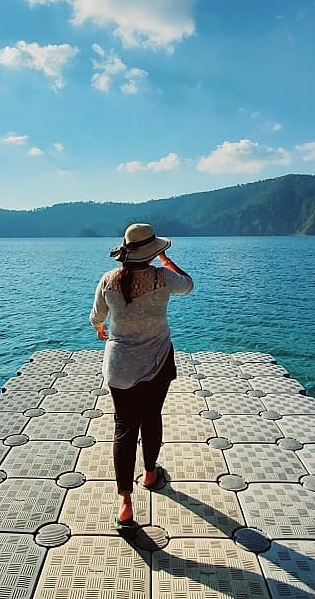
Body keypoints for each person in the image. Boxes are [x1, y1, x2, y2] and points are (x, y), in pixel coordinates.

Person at [89, 222, 193, 530]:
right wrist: (166, 261)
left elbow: (97, 316)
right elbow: (188, 284)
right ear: (152, 251)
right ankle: (150, 474)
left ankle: (124, 504)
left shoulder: (108, 280)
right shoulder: (163, 278)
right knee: (151, 417)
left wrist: (100, 328)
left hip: (119, 363)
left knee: (124, 427)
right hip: (157, 360)